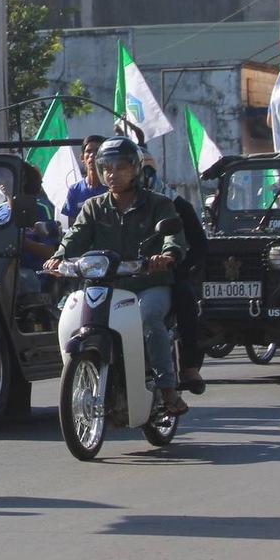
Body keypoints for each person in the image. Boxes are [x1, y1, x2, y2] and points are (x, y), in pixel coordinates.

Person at [45, 136, 190, 415]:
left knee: (148, 317)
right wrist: (59, 256)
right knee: (72, 312)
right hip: (105, 286)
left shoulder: (159, 204)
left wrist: (167, 255)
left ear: (134, 169)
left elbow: (173, 237)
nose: (113, 174)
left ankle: (168, 389)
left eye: (120, 167)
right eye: (107, 168)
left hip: (149, 284)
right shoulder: (93, 206)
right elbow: (76, 236)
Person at [139, 152, 210, 393]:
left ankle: (189, 366)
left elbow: (199, 244)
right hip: (125, 274)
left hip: (167, 272)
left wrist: (176, 264)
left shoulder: (175, 204)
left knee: (184, 296)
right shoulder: (106, 205)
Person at [0, 164, 58, 290]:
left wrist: (21, 241)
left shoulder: (40, 209)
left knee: (23, 280)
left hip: (30, 270)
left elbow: (50, 252)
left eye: (8, 175)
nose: (2, 180)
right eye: (0, 177)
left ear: (24, 180)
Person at [61, 134, 108, 224]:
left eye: (97, 151)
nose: (92, 155)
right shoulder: (74, 190)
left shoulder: (112, 187)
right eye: (88, 151)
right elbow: (72, 224)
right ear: (82, 158)